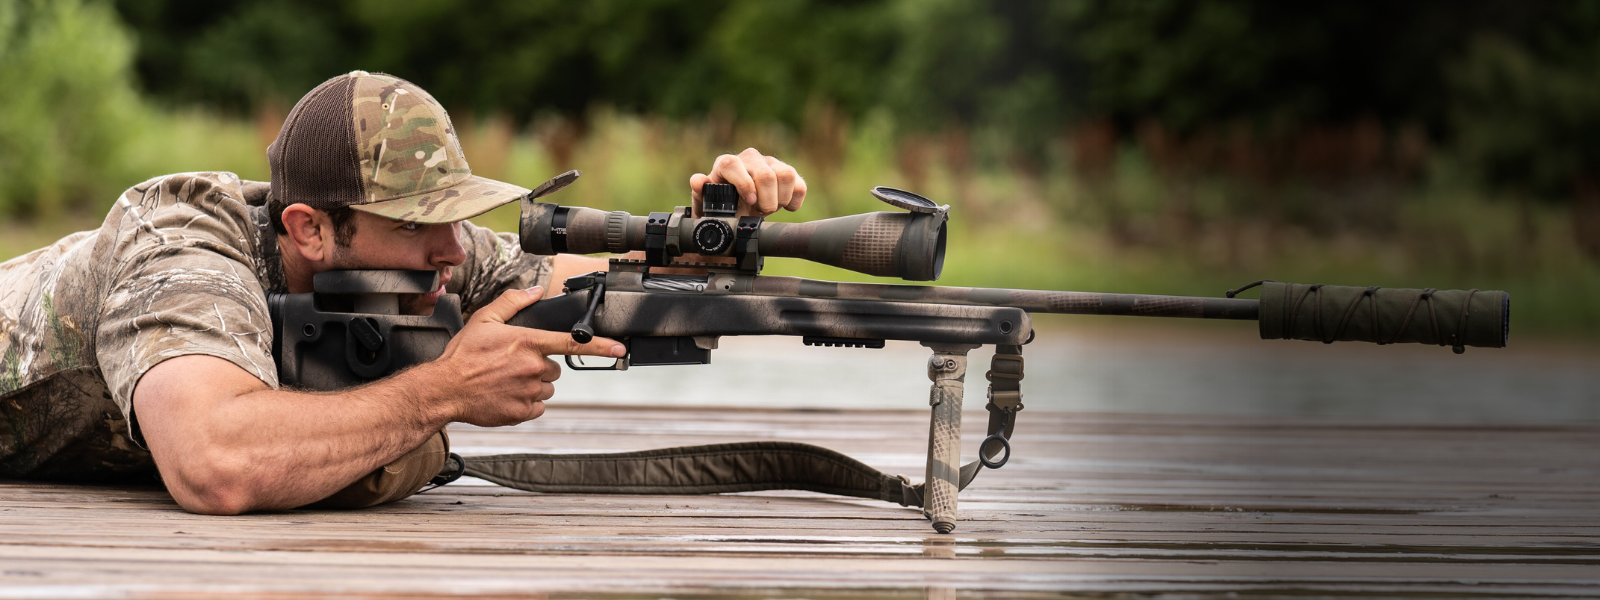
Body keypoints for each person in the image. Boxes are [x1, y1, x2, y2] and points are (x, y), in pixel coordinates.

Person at [0, 71, 807, 514]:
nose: (454, 248)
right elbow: (218, 462)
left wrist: (703, 241)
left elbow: (582, 292)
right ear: (311, 230)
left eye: (455, 216)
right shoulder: (180, 241)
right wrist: (448, 391)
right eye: (421, 224)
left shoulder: (421, 253)